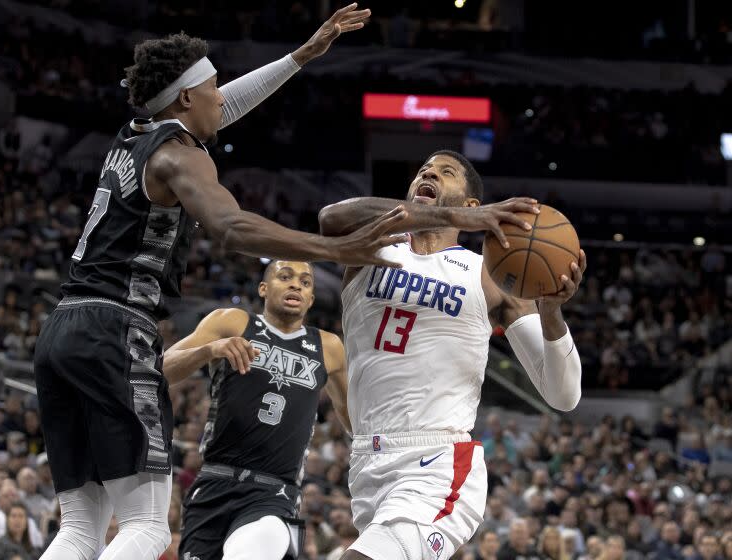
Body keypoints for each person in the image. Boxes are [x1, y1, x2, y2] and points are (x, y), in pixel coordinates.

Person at [32, 6, 406, 560]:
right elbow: (231, 228)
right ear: (186, 99)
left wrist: (300, 56)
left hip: (62, 330)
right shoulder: (178, 155)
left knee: (81, 530)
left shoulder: (136, 134)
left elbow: (222, 105)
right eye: (211, 87)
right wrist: (335, 249)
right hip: (116, 328)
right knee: (148, 528)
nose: (220, 97)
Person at [319, 150, 584, 560]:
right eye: (425, 169)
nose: (429, 173)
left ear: (473, 208)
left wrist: (550, 313)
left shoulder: (486, 275)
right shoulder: (370, 247)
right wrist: (443, 216)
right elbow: (331, 218)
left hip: (437, 462)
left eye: (446, 173)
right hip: (367, 459)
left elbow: (563, 395)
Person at [164, 261, 349, 560]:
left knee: (255, 546)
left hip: (276, 492)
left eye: (305, 282)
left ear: (311, 299)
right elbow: (163, 369)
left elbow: (353, 420)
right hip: (215, 481)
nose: (295, 286)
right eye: (285, 277)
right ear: (263, 288)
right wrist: (210, 350)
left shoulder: (329, 346)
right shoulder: (233, 322)